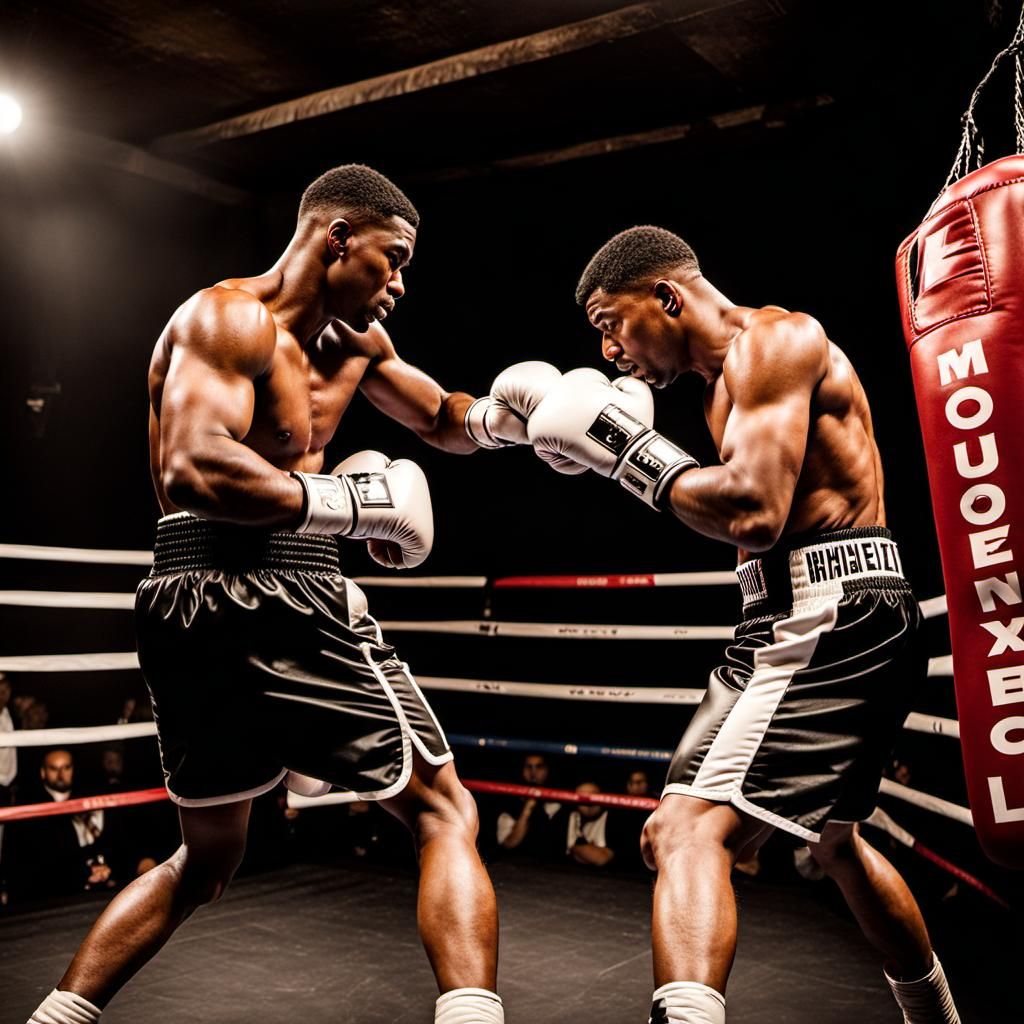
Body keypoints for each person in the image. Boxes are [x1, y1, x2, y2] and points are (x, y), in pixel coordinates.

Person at [26, 164, 561, 1024]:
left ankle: (57, 1019)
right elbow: (193, 464)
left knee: (204, 861)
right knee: (443, 809)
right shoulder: (226, 318)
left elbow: (438, 417)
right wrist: (350, 506)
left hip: (186, 600)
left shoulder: (354, 345)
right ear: (337, 237)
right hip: (266, 583)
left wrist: (515, 420)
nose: (399, 284)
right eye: (392, 259)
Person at [526, 226, 959, 1024]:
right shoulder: (718, 384)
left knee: (686, 832)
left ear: (666, 296)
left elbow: (755, 514)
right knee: (834, 843)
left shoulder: (776, 341)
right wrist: (623, 457)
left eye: (610, 321)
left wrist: (624, 452)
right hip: (807, 614)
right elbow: (730, 510)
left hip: (826, 614)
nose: (607, 348)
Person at [7, 750, 115, 901]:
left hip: (93, 890)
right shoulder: (31, 807)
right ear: (43, 772)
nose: (61, 774)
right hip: (47, 896)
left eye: (66, 767)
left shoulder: (86, 798)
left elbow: (109, 841)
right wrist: (84, 873)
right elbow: (37, 862)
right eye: (54, 768)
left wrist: (103, 869)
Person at [495, 753, 561, 856]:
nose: (533, 772)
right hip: (517, 864)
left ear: (546, 770)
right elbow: (509, 844)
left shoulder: (559, 799)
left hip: (555, 865)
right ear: (522, 770)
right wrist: (527, 810)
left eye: (539, 767)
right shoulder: (510, 801)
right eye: (529, 767)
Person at [565, 782, 616, 868]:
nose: (589, 803)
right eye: (583, 798)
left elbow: (601, 859)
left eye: (594, 796)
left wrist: (574, 848)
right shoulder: (567, 816)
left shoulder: (613, 819)